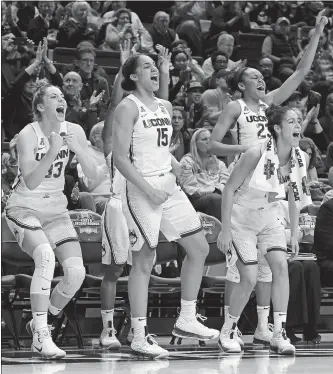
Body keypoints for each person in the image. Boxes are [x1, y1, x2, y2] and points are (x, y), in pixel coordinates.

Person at [209, 8, 328, 349]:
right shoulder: (236, 108)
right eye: (252, 77)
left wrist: (316, 31)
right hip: (246, 177)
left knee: (270, 265)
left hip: (269, 182)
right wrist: (249, 150)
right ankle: (230, 328)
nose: (260, 79)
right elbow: (215, 143)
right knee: (241, 272)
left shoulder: (269, 106)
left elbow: (302, 71)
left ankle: (267, 326)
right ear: (240, 84)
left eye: (261, 76)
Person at [111, 52, 219, 358]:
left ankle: (186, 318)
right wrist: (148, 189)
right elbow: (121, 159)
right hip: (140, 186)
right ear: (133, 77)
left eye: (154, 65)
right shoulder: (126, 108)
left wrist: (175, 165)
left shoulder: (165, 106)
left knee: (199, 248)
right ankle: (139, 332)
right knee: (145, 259)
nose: (153, 69)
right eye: (146, 66)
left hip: (167, 186)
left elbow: (158, 149)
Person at [4, 79, 99, 359]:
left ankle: (40, 321)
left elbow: (95, 176)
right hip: (24, 206)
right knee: (45, 256)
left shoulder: (75, 130)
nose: (63, 100)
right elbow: (31, 181)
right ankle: (41, 337)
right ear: (41, 105)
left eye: (63, 97)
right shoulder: (27, 135)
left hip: (56, 210)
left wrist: (79, 150)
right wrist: (54, 150)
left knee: (76, 273)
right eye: (54, 96)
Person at [218, 105, 311, 354]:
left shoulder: (298, 156)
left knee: (281, 266)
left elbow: (293, 194)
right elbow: (228, 190)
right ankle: (228, 330)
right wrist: (225, 230)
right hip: (242, 216)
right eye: (291, 120)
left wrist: (292, 229)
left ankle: (278, 332)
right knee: (248, 277)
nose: (297, 124)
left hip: (269, 216)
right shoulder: (255, 153)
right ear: (278, 128)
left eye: (299, 120)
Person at [100, 42, 172, 350]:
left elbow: (160, 112)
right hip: (120, 202)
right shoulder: (118, 129)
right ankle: (108, 329)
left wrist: (163, 71)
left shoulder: (153, 118)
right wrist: (121, 71)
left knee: (143, 263)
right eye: (145, 66)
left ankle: (134, 329)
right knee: (117, 268)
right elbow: (121, 105)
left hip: (144, 196)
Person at [179, 128, 229, 221]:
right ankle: (219, 230)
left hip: (217, 197)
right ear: (195, 143)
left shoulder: (219, 163)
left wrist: (218, 190)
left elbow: (227, 183)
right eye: (204, 139)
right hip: (195, 200)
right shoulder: (187, 161)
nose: (208, 142)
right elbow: (190, 189)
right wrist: (213, 190)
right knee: (215, 198)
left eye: (210, 139)